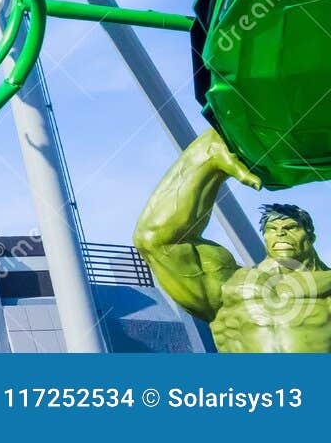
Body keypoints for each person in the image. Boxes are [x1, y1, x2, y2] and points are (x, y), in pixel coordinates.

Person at [133, 128, 330, 352]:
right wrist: (206, 156)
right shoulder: (231, 285)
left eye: (290, 227)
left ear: (310, 235)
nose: (281, 233)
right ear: (264, 236)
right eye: (272, 229)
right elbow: (155, 240)